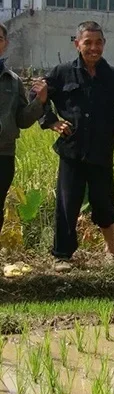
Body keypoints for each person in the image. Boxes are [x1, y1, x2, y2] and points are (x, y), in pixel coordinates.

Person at [40, 21, 114, 271]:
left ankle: (110, 251)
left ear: (104, 44)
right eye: (88, 43)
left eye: (98, 43)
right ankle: (62, 256)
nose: (93, 48)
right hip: (71, 150)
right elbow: (37, 95)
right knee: (67, 204)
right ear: (77, 44)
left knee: (104, 201)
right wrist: (52, 122)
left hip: (101, 150)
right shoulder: (62, 73)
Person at [0, 22, 48, 235]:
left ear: (5, 44)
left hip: (3, 153)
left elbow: (22, 120)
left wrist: (39, 101)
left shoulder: (13, 81)